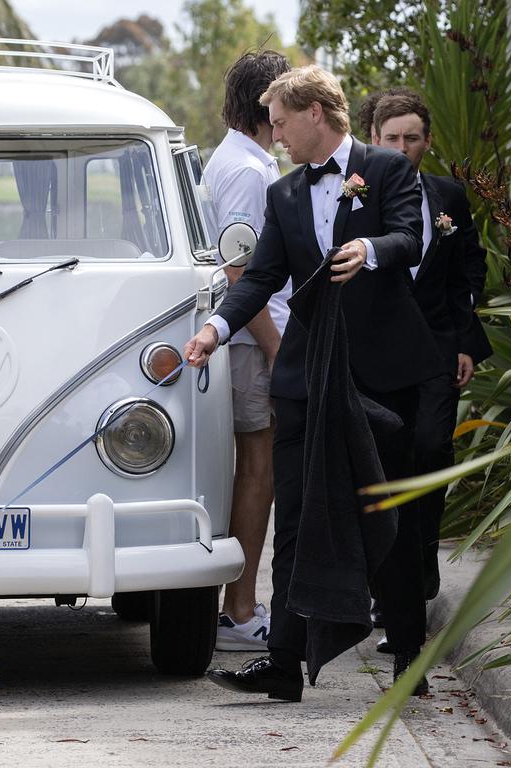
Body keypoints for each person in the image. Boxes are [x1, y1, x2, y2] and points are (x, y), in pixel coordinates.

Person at [184, 65, 440, 701]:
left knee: (392, 515)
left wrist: (371, 249)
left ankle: (409, 658)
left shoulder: (387, 171)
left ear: (315, 115)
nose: (274, 137)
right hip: (304, 376)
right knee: (294, 519)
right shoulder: (284, 193)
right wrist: (215, 328)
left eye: (279, 123)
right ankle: (283, 664)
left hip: (381, 375)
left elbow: (411, 237)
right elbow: (262, 275)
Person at [371, 91, 492, 605]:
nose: (402, 148)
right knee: (385, 466)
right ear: (374, 140)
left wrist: (466, 341)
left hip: (440, 352)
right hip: (378, 359)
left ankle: (419, 579)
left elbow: (469, 270)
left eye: (412, 138)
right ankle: (387, 591)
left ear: (427, 142)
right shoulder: (358, 199)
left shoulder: (450, 198)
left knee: (432, 450)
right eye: (392, 138)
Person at [203, 50, 291, 652]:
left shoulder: (239, 160)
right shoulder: (246, 172)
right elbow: (241, 272)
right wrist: (277, 348)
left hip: (249, 337)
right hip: (252, 341)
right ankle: (239, 608)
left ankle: (237, 603)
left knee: (255, 469)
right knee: (257, 469)